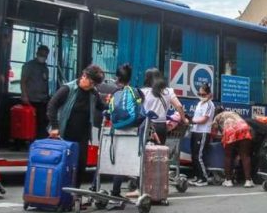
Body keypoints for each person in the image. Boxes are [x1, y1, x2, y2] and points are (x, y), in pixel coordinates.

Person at [47, 64, 106, 188]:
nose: (92, 86)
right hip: (65, 133)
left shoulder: (93, 93)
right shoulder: (68, 89)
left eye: (94, 84)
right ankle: (59, 192)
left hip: (82, 135)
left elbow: (102, 107)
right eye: (91, 83)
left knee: (80, 164)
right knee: (63, 164)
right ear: (84, 76)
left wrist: (112, 108)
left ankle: (75, 195)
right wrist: (55, 127)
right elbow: (52, 106)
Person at [108, 63, 144, 198]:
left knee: (118, 161)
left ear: (117, 78)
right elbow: (141, 113)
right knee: (135, 161)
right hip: (133, 133)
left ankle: (114, 191)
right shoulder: (136, 92)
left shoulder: (114, 93)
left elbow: (109, 112)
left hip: (116, 132)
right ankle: (140, 187)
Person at [140, 68, 186, 145]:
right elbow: (179, 106)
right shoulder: (168, 91)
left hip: (147, 126)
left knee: (145, 152)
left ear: (147, 79)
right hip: (161, 126)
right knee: (159, 153)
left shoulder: (143, 92)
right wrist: (184, 119)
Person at [212, 107, 254, 188]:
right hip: (244, 128)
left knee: (228, 156)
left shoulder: (217, 117)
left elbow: (213, 134)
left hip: (230, 131)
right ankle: (248, 181)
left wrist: (222, 138)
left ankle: (228, 180)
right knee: (245, 156)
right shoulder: (233, 113)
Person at [20, 45, 51, 139]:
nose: (43, 57)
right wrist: (24, 95)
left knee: (41, 123)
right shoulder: (29, 66)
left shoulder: (45, 68)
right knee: (29, 123)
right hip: (31, 99)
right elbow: (23, 81)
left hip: (42, 100)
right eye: (41, 54)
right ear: (37, 53)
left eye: (45, 56)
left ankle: (38, 140)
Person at [189, 83, 215, 187]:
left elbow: (204, 119)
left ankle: (204, 178)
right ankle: (197, 176)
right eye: (200, 94)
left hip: (203, 132)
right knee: (193, 155)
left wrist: (193, 121)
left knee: (199, 156)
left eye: (204, 94)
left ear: (209, 94)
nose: (201, 96)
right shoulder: (200, 103)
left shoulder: (209, 105)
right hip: (195, 131)